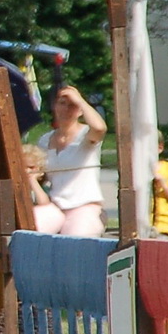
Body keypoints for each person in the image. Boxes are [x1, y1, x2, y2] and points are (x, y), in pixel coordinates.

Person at [38, 85, 108, 237]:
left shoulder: (85, 134)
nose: (66, 109)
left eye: (72, 105)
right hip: (55, 207)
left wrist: (80, 100)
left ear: (81, 110)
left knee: (75, 240)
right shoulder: (45, 140)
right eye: (62, 103)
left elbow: (100, 128)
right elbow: (38, 175)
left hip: (85, 206)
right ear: (55, 106)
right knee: (30, 230)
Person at [22, 144, 64, 234]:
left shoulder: (42, 186)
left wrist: (33, 180)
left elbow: (43, 202)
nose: (27, 171)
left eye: (31, 167)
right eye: (23, 167)